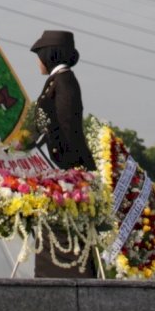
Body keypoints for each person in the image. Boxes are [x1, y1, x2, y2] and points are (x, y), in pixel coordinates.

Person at [30, 29, 97, 278]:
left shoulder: (65, 81)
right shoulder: (57, 80)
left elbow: (68, 126)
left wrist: (68, 170)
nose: (37, 63)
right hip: (57, 163)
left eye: (39, 56)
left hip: (65, 165)